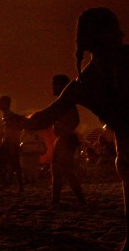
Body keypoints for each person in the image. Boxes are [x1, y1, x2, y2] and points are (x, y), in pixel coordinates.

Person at [12, 8, 129, 249]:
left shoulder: (84, 84)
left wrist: (17, 119)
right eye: (116, 30)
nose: (122, 34)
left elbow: (43, 118)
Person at [45, 74, 87, 206]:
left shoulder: (65, 102)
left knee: (60, 169)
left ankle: (57, 201)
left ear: (63, 86)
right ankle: (74, 200)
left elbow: (75, 120)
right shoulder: (64, 102)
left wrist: (64, 132)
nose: (52, 87)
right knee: (63, 170)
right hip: (65, 139)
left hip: (66, 139)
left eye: (55, 84)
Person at [0, 96, 24, 192]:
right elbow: (0, 130)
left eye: (1, 103)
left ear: (6, 104)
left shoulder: (12, 117)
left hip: (10, 143)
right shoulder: (4, 117)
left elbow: (15, 130)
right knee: (5, 163)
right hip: (6, 143)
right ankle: (9, 183)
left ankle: (11, 184)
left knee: (13, 165)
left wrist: (13, 144)